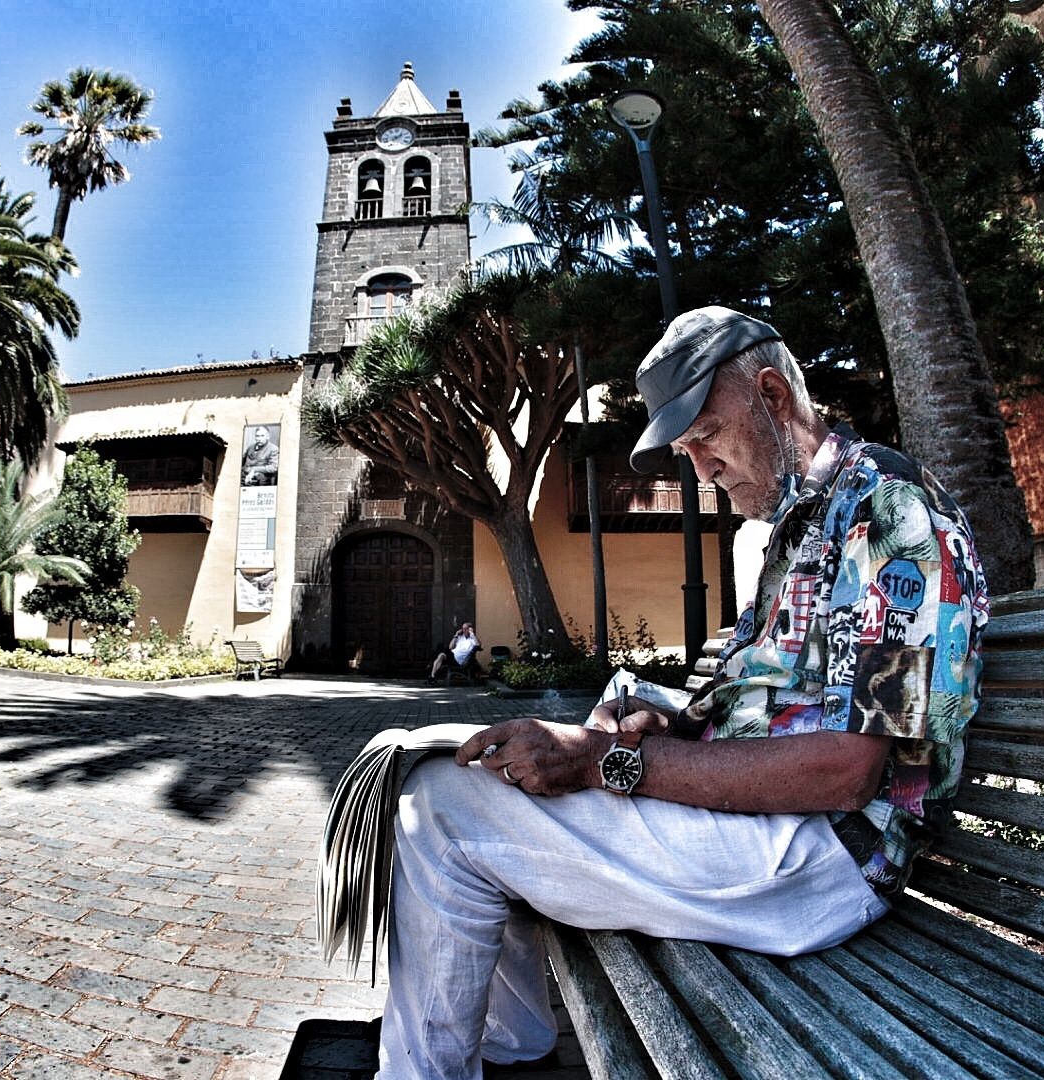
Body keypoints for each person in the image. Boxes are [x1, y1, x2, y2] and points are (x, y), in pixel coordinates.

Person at [376, 306, 990, 1079]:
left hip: (827, 855)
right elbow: (771, 695)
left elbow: (849, 769)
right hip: (767, 829)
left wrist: (608, 763)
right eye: (687, 450)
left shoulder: (891, 515)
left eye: (705, 437)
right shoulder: (803, 525)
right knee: (483, 777)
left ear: (772, 397)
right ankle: (513, 1046)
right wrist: (664, 719)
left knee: (440, 806)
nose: (701, 471)